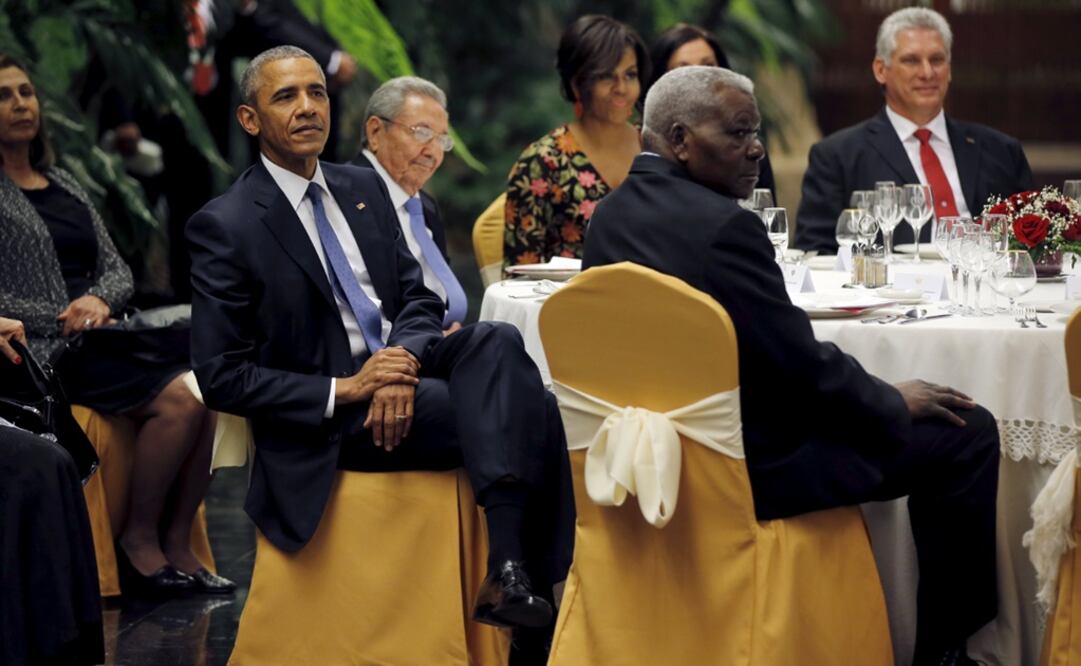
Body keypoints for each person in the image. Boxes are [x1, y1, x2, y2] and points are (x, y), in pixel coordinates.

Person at [583, 66, 999, 666]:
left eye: (756, 130)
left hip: (657, 455)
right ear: (679, 139)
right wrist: (889, 397)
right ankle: (943, 654)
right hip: (751, 470)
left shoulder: (609, 218)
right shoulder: (726, 228)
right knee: (966, 431)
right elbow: (803, 369)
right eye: (738, 132)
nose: (756, 147)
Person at [187, 46, 571, 632]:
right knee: (536, 407)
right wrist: (349, 387)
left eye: (316, 92)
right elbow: (221, 376)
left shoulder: (360, 186)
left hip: (399, 366)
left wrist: (397, 362)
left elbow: (421, 298)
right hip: (333, 416)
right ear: (249, 119)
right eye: (285, 96)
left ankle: (513, 574)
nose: (308, 107)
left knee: (494, 338)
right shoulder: (227, 223)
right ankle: (524, 579)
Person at [0, 55, 234, 596]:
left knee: (211, 388)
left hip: (99, 335)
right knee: (183, 400)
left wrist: (98, 302)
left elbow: (116, 267)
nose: (20, 104)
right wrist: (63, 315)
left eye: (27, 92)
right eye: (5, 95)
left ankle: (178, 544)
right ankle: (138, 543)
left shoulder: (63, 182)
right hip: (44, 350)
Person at [794, 6, 1033, 253]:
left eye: (937, 60)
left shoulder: (1001, 150)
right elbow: (815, 251)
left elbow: (1033, 242)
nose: (927, 73)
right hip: (890, 288)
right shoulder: (837, 156)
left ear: (949, 69)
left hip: (984, 284)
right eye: (911, 60)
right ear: (880, 70)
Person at [503, 15, 648, 269]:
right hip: (570, 303)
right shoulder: (542, 162)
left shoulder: (655, 149)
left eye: (630, 75)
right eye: (606, 77)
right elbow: (519, 274)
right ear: (577, 84)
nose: (621, 88)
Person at [350, 76, 466, 334]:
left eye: (442, 140)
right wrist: (427, 340)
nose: (433, 152)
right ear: (375, 132)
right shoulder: (346, 197)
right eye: (422, 133)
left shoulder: (424, 206)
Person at [647, 22, 776, 199]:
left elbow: (767, 217)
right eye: (684, 70)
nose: (701, 78)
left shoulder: (751, 150)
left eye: (709, 66)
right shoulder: (644, 145)